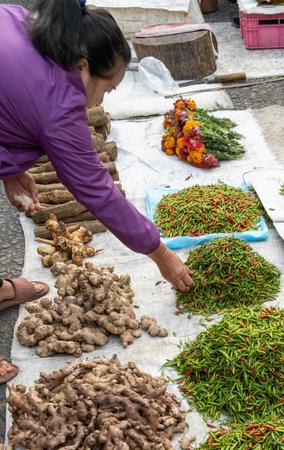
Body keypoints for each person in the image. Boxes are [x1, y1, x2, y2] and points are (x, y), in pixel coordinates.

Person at [0, 0, 193, 334]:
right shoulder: (57, 105)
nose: (100, 101)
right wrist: (161, 254)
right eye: (105, 87)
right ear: (83, 65)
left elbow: (10, 99)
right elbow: (97, 191)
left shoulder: (25, 21)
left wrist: (10, 169)